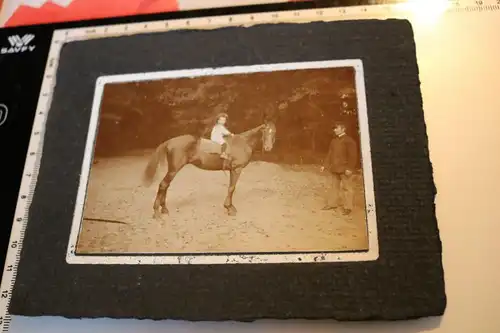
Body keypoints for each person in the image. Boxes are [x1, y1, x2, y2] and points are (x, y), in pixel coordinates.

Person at [320, 121, 358, 215]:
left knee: (347, 188)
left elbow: (353, 156)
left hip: (345, 169)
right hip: (335, 168)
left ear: (343, 129)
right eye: (334, 128)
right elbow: (330, 154)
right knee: (334, 187)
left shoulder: (349, 141)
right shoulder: (334, 140)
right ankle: (332, 204)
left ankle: (348, 207)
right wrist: (324, 165)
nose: (335, 130)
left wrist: (350, 168)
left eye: (337, 128)